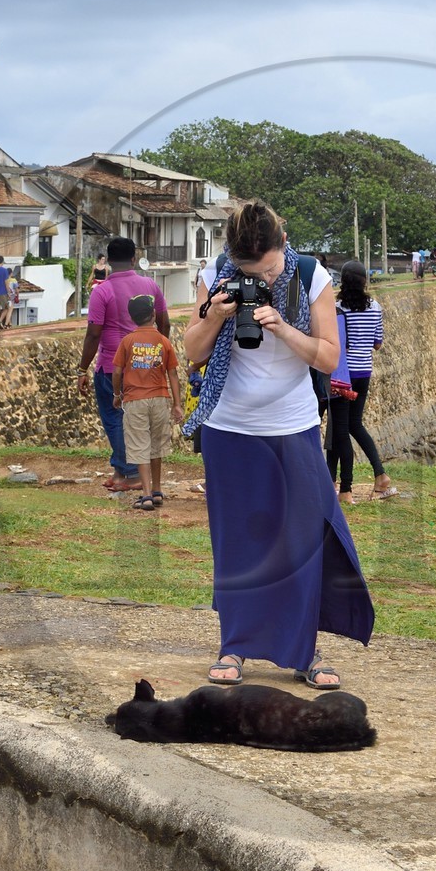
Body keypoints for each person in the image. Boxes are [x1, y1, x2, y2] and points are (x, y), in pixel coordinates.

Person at [183, 199, 373, 690]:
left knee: (301, 540)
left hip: (292, 426)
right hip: (230, 428)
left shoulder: (311, 276)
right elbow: (191, 351)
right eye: (250, 271)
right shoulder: (217, 274)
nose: (260, 279)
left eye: (266, 270)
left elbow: (330, 357)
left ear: (282, 246)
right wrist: (216, 316)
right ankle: (235, 645)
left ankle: (304, 648)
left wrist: (283, 327)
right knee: (238, 541)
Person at [78, 236, 167, 492]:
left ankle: (130, 473)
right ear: (132, 258)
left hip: (111, 366)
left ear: (108, 260)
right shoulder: (150, 285)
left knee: (115, 418)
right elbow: (165, 323)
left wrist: (81, 369)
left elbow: (93, 334)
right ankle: (120, 470)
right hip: (146, 364)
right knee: (137, 420)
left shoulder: (102, 291)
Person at [325, 260, 396, 504]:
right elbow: (378, 343)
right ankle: (378, 473)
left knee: (339, 430)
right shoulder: (375, 307)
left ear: (342, 281)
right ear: (365, 280)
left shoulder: (336, 307)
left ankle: (342, 484)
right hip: (363, 373)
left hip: (340, 376)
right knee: (352, 425)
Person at [111, 294, 185, 512]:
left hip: (135, 400)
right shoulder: (164, 341)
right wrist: (177, 404)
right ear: (153, 315)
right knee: (156, 446)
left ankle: (145, 495)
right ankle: (157, 490)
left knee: (139, 445)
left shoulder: (127, 341)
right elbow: (172, 375)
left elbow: (116, 372)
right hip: (161, 400)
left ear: (132, 318)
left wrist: (117, 394)